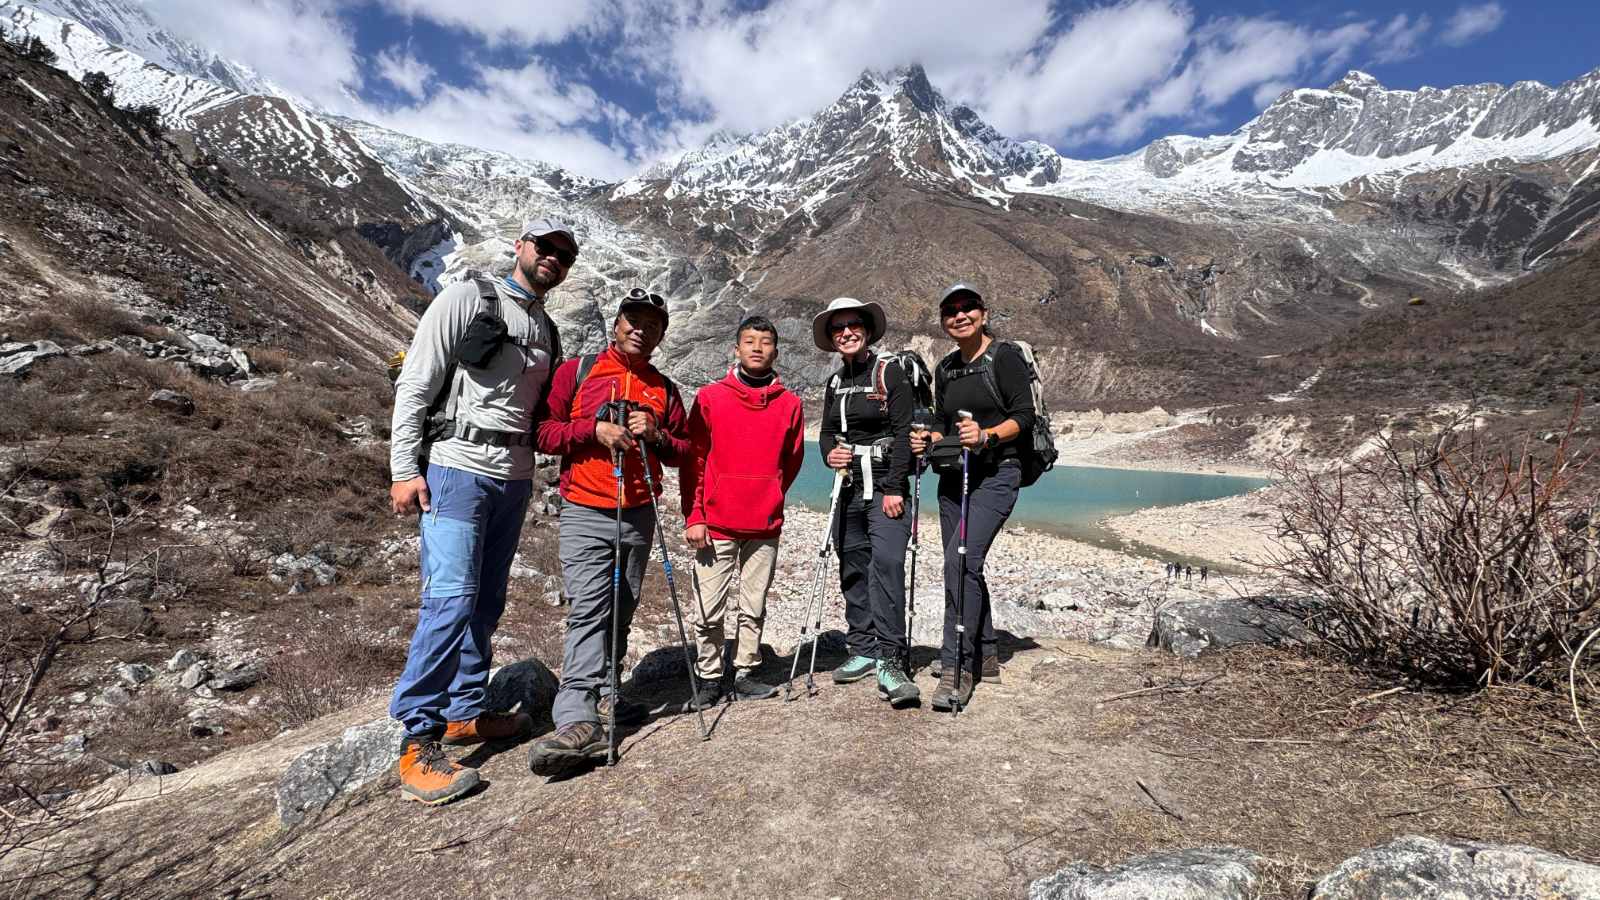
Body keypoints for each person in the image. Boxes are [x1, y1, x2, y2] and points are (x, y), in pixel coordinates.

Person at [386, 218, 578, 805]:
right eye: (544, 247)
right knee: (449, 600)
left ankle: (465, 710)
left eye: (563, 254)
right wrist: (402, 468)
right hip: (456, 469)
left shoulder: (545, 326)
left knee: (488, 599)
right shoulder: (465, 298)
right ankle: (418, 738)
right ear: (520, 247)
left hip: (514, 478)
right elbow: (417, 382)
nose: (552, 258)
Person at [526, 288, 689, 776]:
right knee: (589, 608)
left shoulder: (664, 387)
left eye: (652, 324)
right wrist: (591, 431)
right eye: (633, 319)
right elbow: (542, 431)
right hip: (584, 509)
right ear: (617, 324)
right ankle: (577, 717)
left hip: (639, 513)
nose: (641, 329)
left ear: (661, 334)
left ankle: (607, 691)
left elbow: (683, 451)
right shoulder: (576, 372)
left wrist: (656, 433)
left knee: (622, 607)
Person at [910, 284, 1034, 712]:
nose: (959, 316)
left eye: (967, 309)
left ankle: (955, 666)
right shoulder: (946, 369)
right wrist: (930, 438)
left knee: (959, 562)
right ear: (943, 320)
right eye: (951, 311)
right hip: (954, 478)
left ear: (983, 313)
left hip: (998, 474)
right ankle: (985, 654)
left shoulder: (1005, 358)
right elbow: (944, 425)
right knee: (962, 564)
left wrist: (986, 436)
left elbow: (1024, 416)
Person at [679, 315, 805, 707]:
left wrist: (768, 495)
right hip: (715, 523)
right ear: (736, 349)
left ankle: (746, 670)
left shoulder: (790, 404)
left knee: (754, 603)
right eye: (749, 341)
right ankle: (710, 675)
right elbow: (694, 462)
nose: (757, 348)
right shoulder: (710, 398)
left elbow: (793, 460)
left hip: (763, 525)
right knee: (707, 607)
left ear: (775, 351)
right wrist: (694, 515)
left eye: (765, 342)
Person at [813, 297, 918, 708]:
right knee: (852, 563)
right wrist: (828, 454)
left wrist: (895, 487)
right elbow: (825, 433)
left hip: (885, 488)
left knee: (887, 564)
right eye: (838, 328)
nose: (846, 333)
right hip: (849, 489)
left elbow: (905, 431)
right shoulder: (835, 382)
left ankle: (891, 659)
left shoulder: (888, 372)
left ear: (868, 329)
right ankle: (862, 646)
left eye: (854, 325)